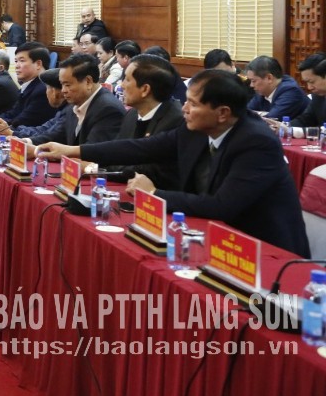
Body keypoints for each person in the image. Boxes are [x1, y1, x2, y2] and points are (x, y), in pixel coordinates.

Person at [37, 70, 311, 257]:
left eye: (193, 104)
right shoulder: (196, 127)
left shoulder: (256, 142)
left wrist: (154, 194)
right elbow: (142, 148)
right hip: (214, 239)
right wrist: (74, 150)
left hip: (264, 251)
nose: (184, 109)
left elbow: (223, 205)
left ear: (222, 113)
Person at [103, 54, 186, 187]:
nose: (122, 85)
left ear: (145, 89)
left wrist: (97, 168)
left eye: (127, 80)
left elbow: (147, 171)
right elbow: (117, 152)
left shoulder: (175, 120)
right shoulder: (132, 114)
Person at [29, 53, 123, 145]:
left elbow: (92, 151)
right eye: (62, 84)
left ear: (88, 82)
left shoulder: (108, 109)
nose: (63, 90)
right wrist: (27, 142)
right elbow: (57, 136)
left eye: (67, 85)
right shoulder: (75, 105)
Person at [0, 42, 58, 128]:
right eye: (16, 61)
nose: (16, 66)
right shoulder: (29, 85)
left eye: (22, 61)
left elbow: (21, 122)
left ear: (38, 64)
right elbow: (12, 114)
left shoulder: (43, 90)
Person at [0, 68, 68, 141]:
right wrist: (9, 129)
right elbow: (41, 129)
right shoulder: (61, 111)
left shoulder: (68, 113)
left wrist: (11, 132)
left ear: (54, 92)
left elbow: (47, 137)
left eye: (47, 88)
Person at [245, 55, 308, 120]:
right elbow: (246, 113)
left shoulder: (291, 91)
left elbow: (271, 120)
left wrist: (259, 115)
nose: (251, 85)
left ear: (269, 78)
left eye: (253, 81)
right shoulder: (262, 91)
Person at [284, 54, 326, 134]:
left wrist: (296, 132)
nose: (309, 87)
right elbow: (304, 120)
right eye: (306, 82)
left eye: (312, 82)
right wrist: (283, 127)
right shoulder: (317, 96)